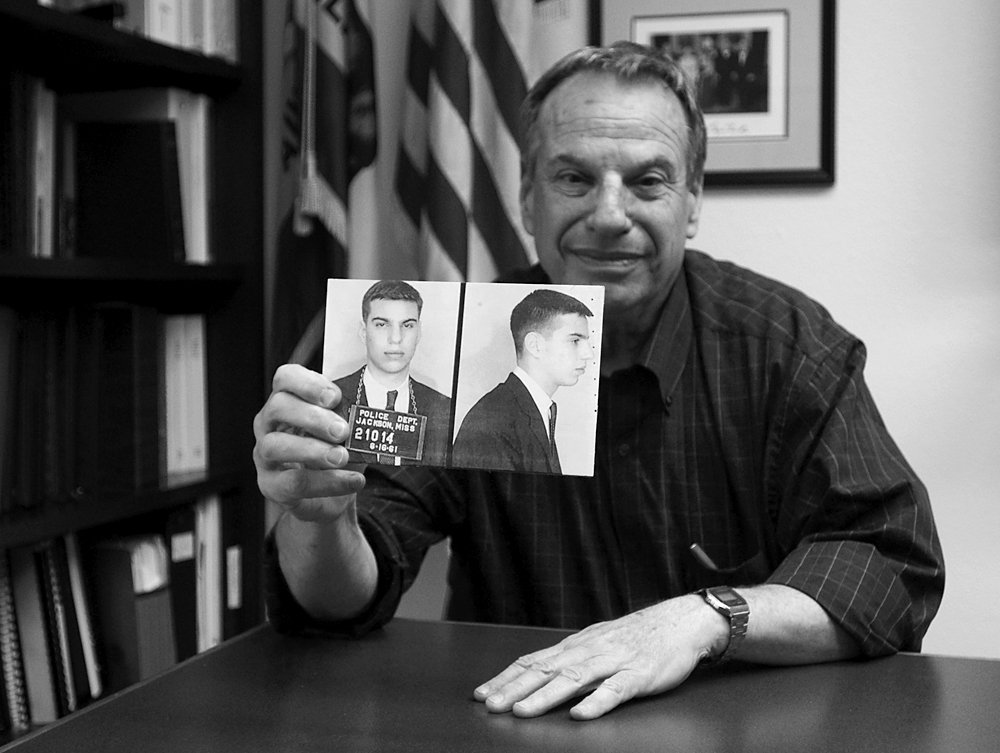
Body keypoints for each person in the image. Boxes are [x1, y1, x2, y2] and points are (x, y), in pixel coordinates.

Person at [253, 42, 943, 721]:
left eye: (648, 181)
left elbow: (894, 564)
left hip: (733, 733)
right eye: (574, 179)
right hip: (517, 725)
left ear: (693, 201)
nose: (610, 216)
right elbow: (337, 601)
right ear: (528, 199)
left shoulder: (786, 347)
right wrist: (318, 518)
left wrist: (705, 618)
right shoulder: (460, 352)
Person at [452, 289, 595, 473]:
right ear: (535, 345)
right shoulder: (493, 422)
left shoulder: (531, 408)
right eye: (575, 341)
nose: (588, 354)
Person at [332, 280, 452, 466]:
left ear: (419, 333)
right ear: (363, 332)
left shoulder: (442, 408)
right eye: (382, 325)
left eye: (407, 325)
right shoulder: (334, 397)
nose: (396, 338)